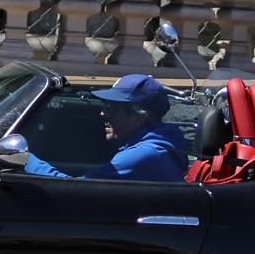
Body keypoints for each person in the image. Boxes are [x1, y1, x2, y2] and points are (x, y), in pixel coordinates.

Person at [23, 74, 189, 182]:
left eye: (112, 107)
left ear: (138, 119)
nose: (103, 113)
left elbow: (76, 191)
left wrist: (25, 159)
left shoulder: (143, 155)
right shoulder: (154, 148)